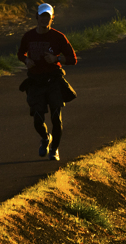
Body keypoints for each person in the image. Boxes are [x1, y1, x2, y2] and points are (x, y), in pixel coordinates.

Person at [18, 3, 77, 161]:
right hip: (36, 82)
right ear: (37, 17)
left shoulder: (58, 37)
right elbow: (20, 53)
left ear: (52, 18)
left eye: (48, 17)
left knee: (56, 119)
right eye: (42, 16)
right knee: (37, 119)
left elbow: (73, 59)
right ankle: (45, 138)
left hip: (53, 81)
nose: (45, 19)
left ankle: (54, 149)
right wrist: (26, 60)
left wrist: (56, 59)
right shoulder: (29, 36)